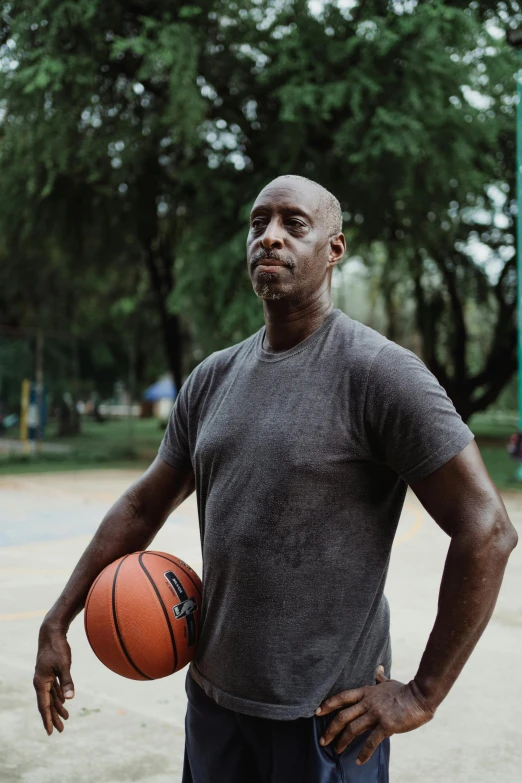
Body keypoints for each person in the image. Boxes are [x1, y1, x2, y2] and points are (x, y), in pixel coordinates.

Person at [34, 175, 518, 783]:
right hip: (215, 705)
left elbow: (488, 529)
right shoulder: (213, 378)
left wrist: (422, 693)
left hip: (323, 719)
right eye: (258, 222)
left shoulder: (380, 374)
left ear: (334, 247)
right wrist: (59, 617)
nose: (270, 237)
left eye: (294, 224)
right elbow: (142, 505)